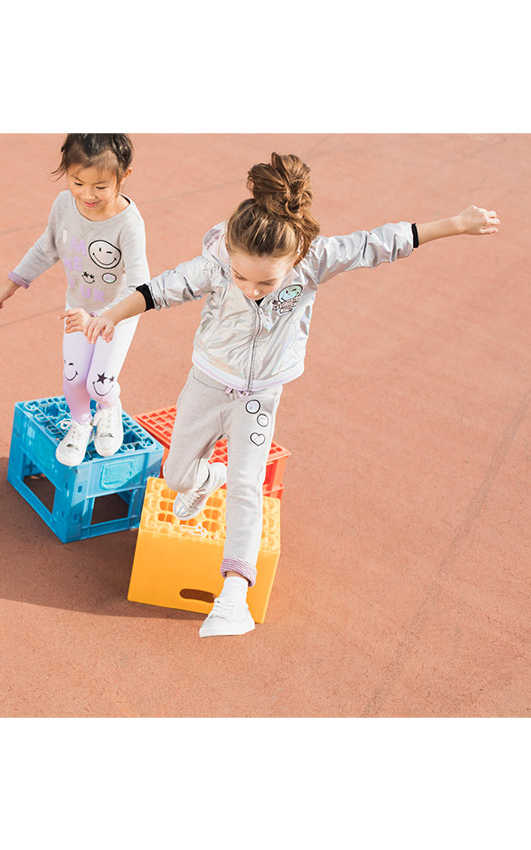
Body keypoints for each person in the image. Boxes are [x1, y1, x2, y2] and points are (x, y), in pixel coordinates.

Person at [63, 152, 499, 638]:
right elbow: (160, 289)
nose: (251, 290)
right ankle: (209, 479)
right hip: (206, 384)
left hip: (258, 397)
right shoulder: (217, 263)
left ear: (295, 260)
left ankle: (233, 597)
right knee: (177, 478)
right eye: (241, 277)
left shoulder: (314, 263)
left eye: (266, 281)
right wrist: (111, 316)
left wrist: (456, 224)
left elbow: (380, 242)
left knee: (248, 487)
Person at [0, 134, 149, 466]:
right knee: (74, 378)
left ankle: (109, 409)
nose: (87, 195)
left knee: (99, 385)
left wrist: (105, 318)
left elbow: (140, 285)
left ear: (124, 177)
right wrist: (11, 283)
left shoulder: (128, 225)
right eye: (78, 182)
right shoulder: (64, 204)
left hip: (117, 314)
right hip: (78, 309)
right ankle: (80, 424)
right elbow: (48, 247)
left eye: (100, 187)